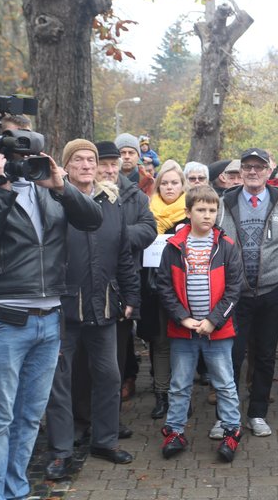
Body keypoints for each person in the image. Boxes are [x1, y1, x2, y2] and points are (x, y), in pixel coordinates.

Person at [0, 123, 102, 500]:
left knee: (27, 417)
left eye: (29, 157)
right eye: (15, 157)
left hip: (49, 318)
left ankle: (17, 489)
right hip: (2, 319)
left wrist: (61, 186)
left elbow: (92, 219)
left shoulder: (48, 190)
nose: (23, 164)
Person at [44, 140, 139, 481]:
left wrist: (131, 296)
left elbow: (124, 255)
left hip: (105, 304)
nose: (86, 165)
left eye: (91, 160)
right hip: (61, 306)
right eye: (79, 159)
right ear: (65, 166)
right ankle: (60, 451)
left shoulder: (112, 202)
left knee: (109, 376)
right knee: (60, 380)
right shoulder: (53, 200)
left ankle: (105, 440)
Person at [216, 148, 278, 438]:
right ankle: (225, 416)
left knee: (266, 355)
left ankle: (257, 413)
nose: (253, 171)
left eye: (259, 167)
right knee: (231, 355)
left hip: (272, 290)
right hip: (234, 293)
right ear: (240, 171)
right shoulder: (225, 202)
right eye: (248, 166)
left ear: (269, 171)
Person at [155, 185, 244, 462]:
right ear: (188, 212)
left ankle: (231, 430)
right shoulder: (173, 247)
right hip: (184, 330)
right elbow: (164, 287)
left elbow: (234, 289)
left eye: (212, 210)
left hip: (218, 331)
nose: (207, 215)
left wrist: (213, 321)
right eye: (201, 210)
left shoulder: (226, 246)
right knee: (180, 384)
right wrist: (183, 317)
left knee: (225, 383)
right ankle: (175, 431)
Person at [94, 141, 157, 412]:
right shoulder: (80, 194)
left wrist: (118, 236)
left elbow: (148, 229)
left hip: (121, 284)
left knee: (116, 355)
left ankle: (111, 416)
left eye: (113, 164)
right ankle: (85, 418)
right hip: (86, 285)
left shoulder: (135, 195)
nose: (109, 170)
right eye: (103, 164)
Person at [144, 160, 188, 420]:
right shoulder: (148, 212)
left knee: (182, 344)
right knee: (160, 344)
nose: (169, 187)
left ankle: (181, 396)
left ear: (182, 186)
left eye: (174, 183)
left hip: (183, 289)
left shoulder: (191, 213)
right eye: (165, 183)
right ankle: (161, 395)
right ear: (158, 186)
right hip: (153, 289)